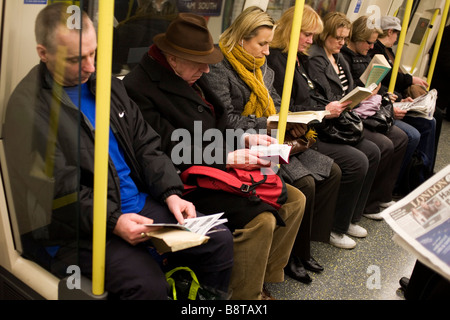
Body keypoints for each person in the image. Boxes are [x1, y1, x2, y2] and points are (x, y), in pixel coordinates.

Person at [3, 3, 234, 300]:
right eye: (76, 59)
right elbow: (56, 190)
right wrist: (113, 221)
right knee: (148, 285)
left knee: (218, 240)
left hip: (136, 204)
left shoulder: (108, 87)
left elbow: (145, 144)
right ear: (43, 53)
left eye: (93, 53)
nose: (90, 66)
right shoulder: (29, 108)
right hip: (76, 227)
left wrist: (170, 193)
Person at [123, 12, 305, 299]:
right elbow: (168, 148)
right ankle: (244, 295)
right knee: (261, 219)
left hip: (214, 161)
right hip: (185, 175)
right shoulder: (138, 88)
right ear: (172, 58)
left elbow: (218, 122)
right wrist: (228, 157)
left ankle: (263, 277)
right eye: (200, 64)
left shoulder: (190, 75)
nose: (207, 71)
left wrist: (243, 138)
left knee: (295, 199)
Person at [204, 6, 345, 281]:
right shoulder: (219, 66)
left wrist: (290, 118)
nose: (267, 51)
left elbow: (276, 103)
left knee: (333, 171)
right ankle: (289, 257)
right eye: (262, 44)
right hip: (242, 142)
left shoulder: (260, 64)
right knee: (303, 185)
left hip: (271, 135)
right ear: (242, 38)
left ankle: (302, 250)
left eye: (269, 44)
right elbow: (228, 119)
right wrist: (269, 124)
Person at [290, 11, 379, 245]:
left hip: (336, 119)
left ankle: (350, 217)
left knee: (375, 150)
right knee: (359, 159)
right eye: (337, 37)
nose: (341, 42)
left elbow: (345, 89)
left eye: (344, 38)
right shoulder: (313, 59)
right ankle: (336, 226)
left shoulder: (336, 57)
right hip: (323, 126)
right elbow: (320, 97)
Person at [340, 15, 408, 217]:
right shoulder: (345, 58)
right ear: (357, 38)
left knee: (403, 137)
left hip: (369, 107)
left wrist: (384, 96)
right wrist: (372, 94)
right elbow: (349, 95)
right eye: (369, 43)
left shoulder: (365, 56)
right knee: (384, 145)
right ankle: (364, 206)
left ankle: (380, 196)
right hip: (356, 113)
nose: (372, 47)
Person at [368, 16, 439, 193]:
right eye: (397, 33)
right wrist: (399, 98)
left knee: (432, 119)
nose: (398, 38)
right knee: (417, 130)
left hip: (391, 98)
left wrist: (401, 98)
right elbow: (385, 81)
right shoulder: (376, 52)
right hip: (382, 105)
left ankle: (421, 172)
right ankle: (402, 183)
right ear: (390, 32)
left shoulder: (388, 51)